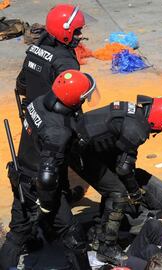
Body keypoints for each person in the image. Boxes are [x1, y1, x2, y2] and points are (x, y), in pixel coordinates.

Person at [0, 70, 96, 269]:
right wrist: (47, 205)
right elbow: (46, 178)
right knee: (74, 235)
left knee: (17, 233)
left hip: (20, 175)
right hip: (38, 187)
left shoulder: (39, 102)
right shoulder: (58, 131)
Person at [69, 96, 162, 264]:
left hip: (84, 143)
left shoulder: (136, 114)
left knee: (113, 184)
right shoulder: (138, 130)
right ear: (160, 122)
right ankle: (107, 247)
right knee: (118, 193)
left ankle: (100, 232)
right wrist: (134, 191)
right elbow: (123, 168)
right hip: (80, 152)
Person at [15, 3, 87, 204]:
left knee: (31, 159)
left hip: (32, 114)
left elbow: (21, 84)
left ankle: (49, 194)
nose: (80, 36)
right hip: (54, 119)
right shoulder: (65, 62)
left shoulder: (35, 48)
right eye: (77, 31)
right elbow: (74, 98)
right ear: (64, 32)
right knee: (57, 159)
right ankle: (57, 201)